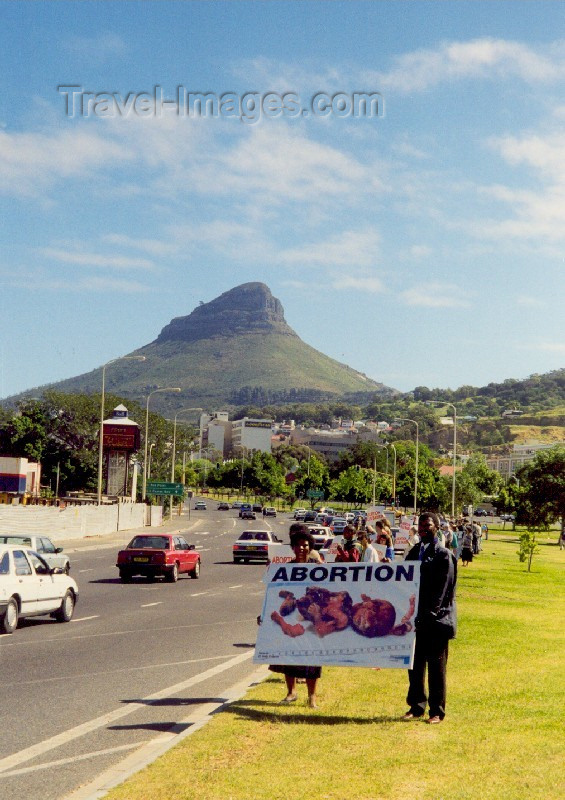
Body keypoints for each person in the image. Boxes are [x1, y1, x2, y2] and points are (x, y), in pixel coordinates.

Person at [403, 511, 457, 724]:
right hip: (415, 619)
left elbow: (442, 591)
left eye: (428, 525)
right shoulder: (415, 551)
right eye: (421, 525)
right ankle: (416, 706)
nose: (424, 528)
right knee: (414, 666)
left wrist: (428, 615)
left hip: (436, 621)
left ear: (437, 527)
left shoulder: (444, 555)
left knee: (436, 669)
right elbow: (402, 579)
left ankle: (437, 711)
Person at [265, 526, 322, 708]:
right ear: (293, 548)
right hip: (290, 618)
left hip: (310, 620)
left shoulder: (317, 568)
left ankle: (312, 697)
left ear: (310, 547)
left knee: (313, 659)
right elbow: (274, 595)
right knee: (289, 655)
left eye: (305, 545)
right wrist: (264, 614)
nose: (301, 549)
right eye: (297, 546)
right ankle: (291, 692)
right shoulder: (285, 569)